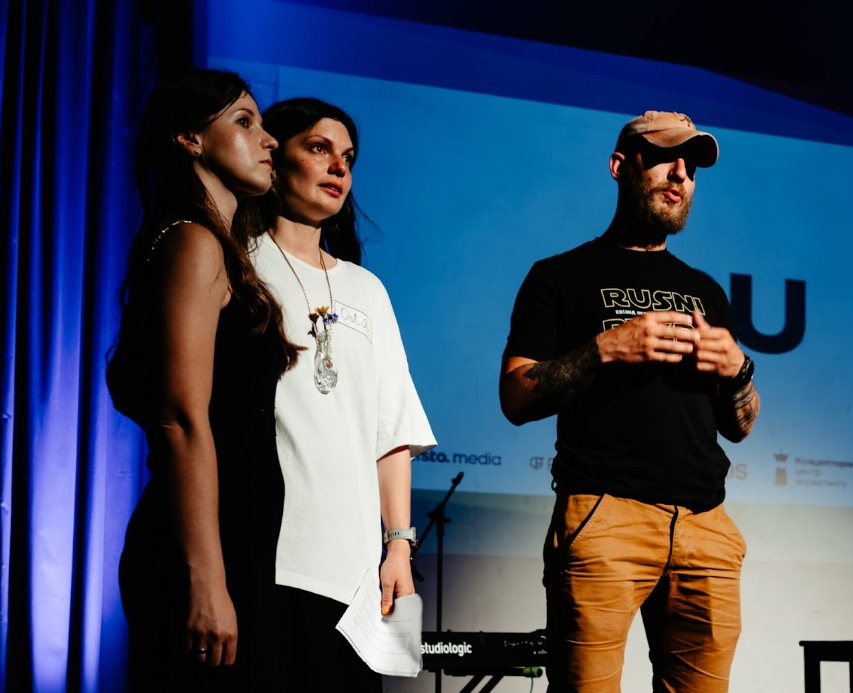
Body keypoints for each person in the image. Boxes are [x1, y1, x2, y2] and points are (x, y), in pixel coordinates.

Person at [499, 110, 761, 693]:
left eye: (691, 166)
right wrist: (606, 349)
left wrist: (739, 370)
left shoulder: (706, 291)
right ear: (620, 166)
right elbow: (515, 395)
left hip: (705, 525)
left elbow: (740, 426)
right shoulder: (559, 276)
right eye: (665, 158)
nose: (681, 174)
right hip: (605, 515)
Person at [107, 69, 297, 691]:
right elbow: (180, 418)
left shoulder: (215, 244)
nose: (268, 139)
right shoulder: (192, 241)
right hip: (205, 553)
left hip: (236, 541)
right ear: (189, 139)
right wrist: (207, 580)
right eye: (244, 122)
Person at [248, 97, 436, 691]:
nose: (338, 168)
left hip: (354, 577)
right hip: (268, 556)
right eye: (318, 148)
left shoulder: (366, 288)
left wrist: (399, 548)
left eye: (348, 158)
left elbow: (392, 430)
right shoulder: (240, 265)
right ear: (274, 157)